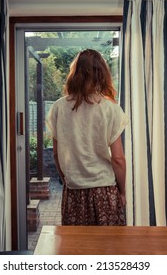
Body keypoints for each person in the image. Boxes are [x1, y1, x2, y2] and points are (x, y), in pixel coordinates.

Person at [45, 49, 128, 226]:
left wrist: (68, 179)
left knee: (76, 249)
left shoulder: (59, 108)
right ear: (102, 74)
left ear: (74, 74)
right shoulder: (111, 109)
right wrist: (122, 192)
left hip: (73, 192)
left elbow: (56, 154)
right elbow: (118, 159)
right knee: (108, 250)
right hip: (104, 191)